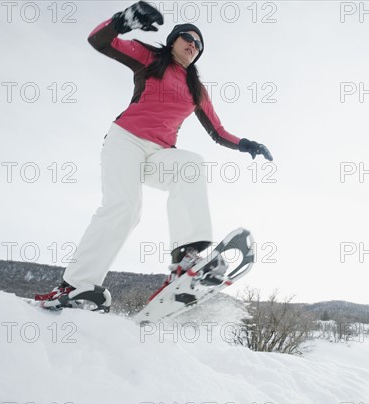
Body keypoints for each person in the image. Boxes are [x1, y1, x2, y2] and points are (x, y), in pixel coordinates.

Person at [35, 1, 273, 311]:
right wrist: (122, 21)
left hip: (160, 154)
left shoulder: (196, 89)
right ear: (173, 39)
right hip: (125, 142)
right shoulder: (150, 58)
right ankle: (77, 285)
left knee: (190, 165)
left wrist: (247, 144)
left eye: (199, 44)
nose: (193, 45)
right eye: (188, 38)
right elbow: (99, 41)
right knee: (125, 208)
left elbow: (217, 131)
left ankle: (185, 260)